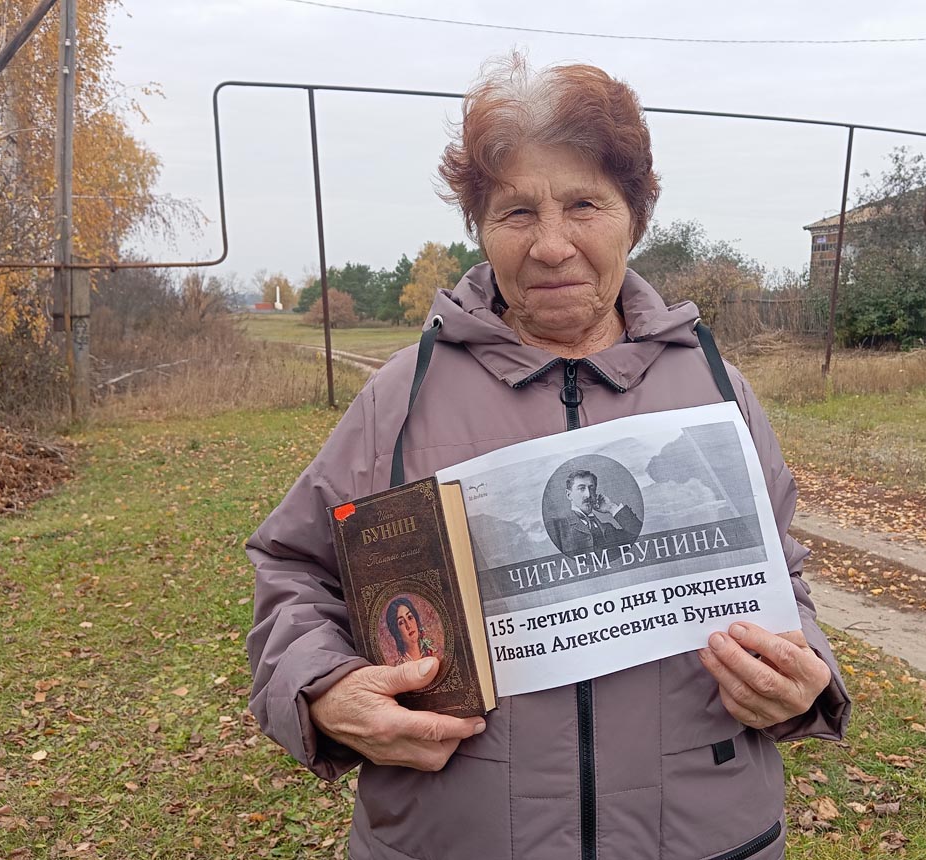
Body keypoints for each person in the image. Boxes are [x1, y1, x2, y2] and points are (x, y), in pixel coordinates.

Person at [247, 54, 850, 860]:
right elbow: (294, 567)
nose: (553, 245)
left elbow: (780, 573)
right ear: (480, 228)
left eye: (584, 204)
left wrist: (803, 673)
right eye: (517, 212)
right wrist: (322, 688)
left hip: (702, 834)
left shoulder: (714, 386)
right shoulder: (402, 397)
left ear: (635, 218)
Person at [552, 468, 641, 554]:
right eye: (581, 488)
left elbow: (640, 536)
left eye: (591, 488)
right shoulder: (557, 528)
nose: (588, 495)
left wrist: (612, 508)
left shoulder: (609, 529)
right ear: (568, 494)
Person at [384, 596, 439, 665]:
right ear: (397, 632)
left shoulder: (431, 654)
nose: (409, 626)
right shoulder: (401, 667)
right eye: (401, 622)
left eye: (410, 617)